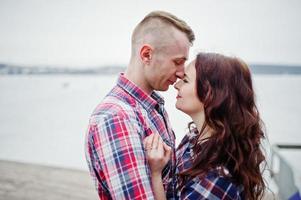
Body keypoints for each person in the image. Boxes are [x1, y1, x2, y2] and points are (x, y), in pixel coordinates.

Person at [85, 11, 195, 199]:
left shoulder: (150, 106)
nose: (180, 73)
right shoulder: (116, 118)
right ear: (146, 54)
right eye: (177, 62)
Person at [144, 52, 267, 200]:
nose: (176, 85)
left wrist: (155, 173)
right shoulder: (193, 138)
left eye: (185, 80)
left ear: (211, 93)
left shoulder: (218, 177)